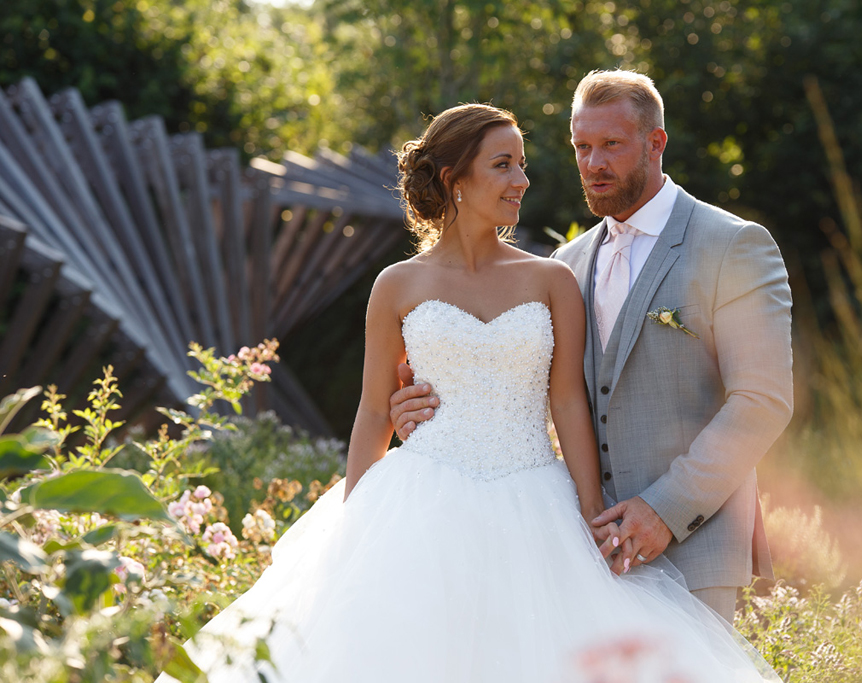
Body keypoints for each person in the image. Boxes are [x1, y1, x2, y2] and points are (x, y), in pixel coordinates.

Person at [157, 103, 782, 682]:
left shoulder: (553, 277)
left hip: (536, 500)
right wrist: (354, 528)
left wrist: (592, 518)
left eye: (523, 165)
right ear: (455, 179)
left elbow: (567, 403)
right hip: (422, 498)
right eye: (503, 165)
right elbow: (376, 407)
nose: (522, 180)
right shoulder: (396, 285)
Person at [389, 70, 794, 622]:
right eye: (582, 147)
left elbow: (762, 401)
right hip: (581, 550)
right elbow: (535, 392)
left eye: (611, 145)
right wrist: (420, 405)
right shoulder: (565, 267)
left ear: (656, 144)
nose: (593, 163)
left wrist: (663, 511)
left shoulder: (733, 246)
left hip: (696, 551)